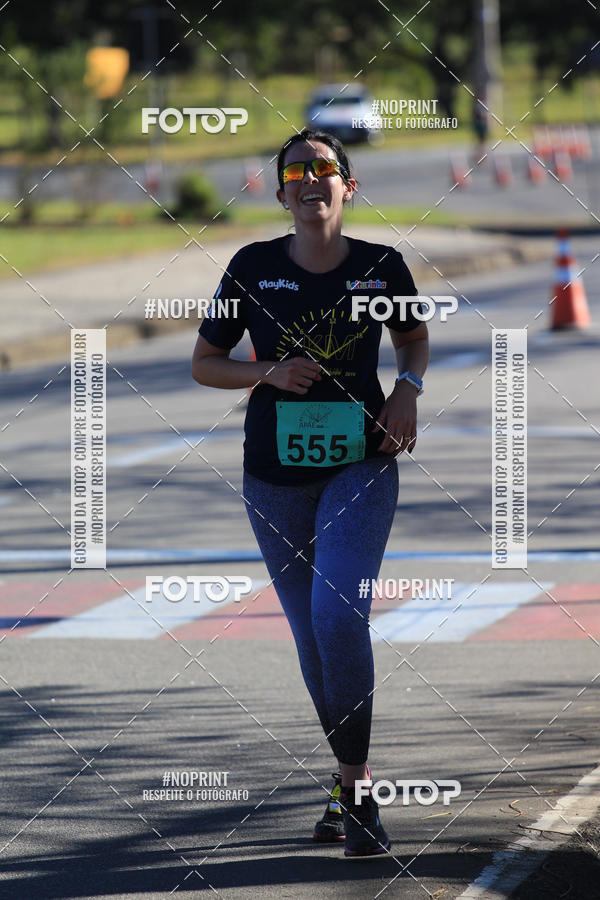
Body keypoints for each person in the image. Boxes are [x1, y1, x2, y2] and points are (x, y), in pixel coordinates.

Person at [191, 128, 429, 857]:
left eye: (324, 169)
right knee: (311, 639)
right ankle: (347, 782)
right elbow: (206, 363)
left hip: (361, 461)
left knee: (337, 616)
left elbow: (413, 340)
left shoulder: (381, 267)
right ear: (280, 193)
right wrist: (265, 372)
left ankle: (357, 796)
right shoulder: (252, 267)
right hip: (273, 475)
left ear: (347, 187)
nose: (310, 181)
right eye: (296, 172)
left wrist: (407, 390)